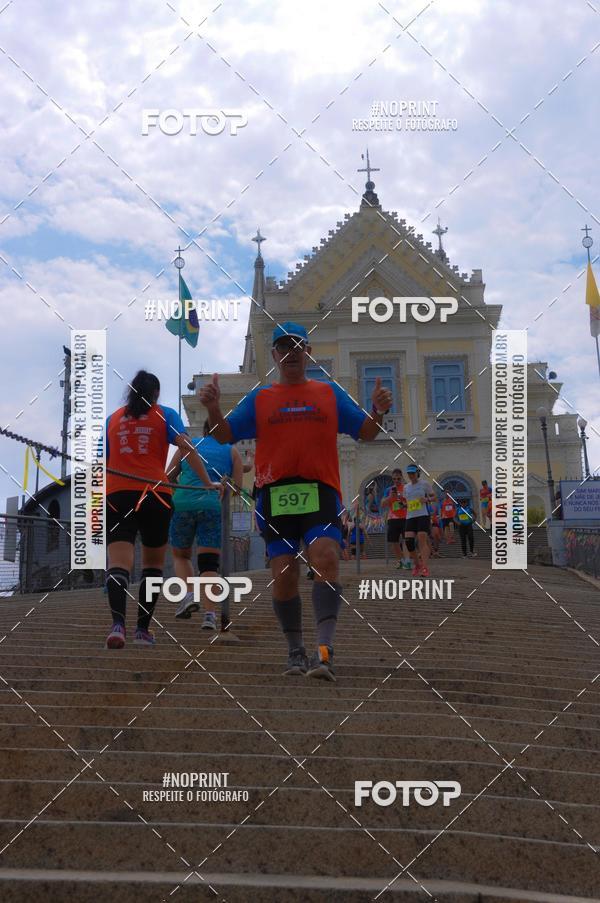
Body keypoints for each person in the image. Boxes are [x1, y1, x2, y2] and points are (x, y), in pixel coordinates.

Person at [198, 320, 392, 681]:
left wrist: (378, 411)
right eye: (283, 347)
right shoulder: (260, 398)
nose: (290, 353)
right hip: (275, 495)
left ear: (308, 352)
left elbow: (366, 432)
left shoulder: (329, 394)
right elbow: (224, 433)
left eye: (297, 346)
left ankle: (324, 653)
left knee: (327, 559)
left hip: (320, 491)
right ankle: (295, 651)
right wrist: (212, 408)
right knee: (283, 575)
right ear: (274, 354)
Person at [104, 371, 221, 649]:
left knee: (119, 564)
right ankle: (142, 631)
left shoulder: (112, 419)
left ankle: (117, 625)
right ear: (155, 393)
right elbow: (187, 448)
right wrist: (207, 483)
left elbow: (107, 459)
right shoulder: (165, 414)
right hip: (154, 495)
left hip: (117, 493)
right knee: (152, 567)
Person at [169, 419, 244, 630]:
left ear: (202, 430)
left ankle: (189, 595)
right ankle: (210, 615)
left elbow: (168, 476)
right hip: (212, 506)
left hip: (182, 503)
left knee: (181, 555)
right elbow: (236, 489)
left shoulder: (189, 444)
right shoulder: (232, 452)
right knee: (209, 564)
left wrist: (179, 492)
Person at [403, 463, 436, 577]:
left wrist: (426, 499)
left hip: (422, 515)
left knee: (422, 540)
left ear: (417, 473)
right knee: (409, 542)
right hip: (410, 516)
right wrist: (403, 504)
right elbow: (406, 501)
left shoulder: (424, 484)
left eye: (413, 473)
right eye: (409, 473)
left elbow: (434, 497)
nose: (411, 475)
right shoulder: (406, 487)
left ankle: (425, 567)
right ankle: (417, 565)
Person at [381, 470, 411, 569]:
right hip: (392, 518)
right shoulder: (388, 489)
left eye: (398, 478)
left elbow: (412, 502)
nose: (396, 481)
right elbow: (382, 504)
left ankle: (407, 561)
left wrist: (404, 499)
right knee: (394, 541)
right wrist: (390, 497)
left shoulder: (407, 488)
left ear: (402, 478)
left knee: (406, 540)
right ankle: (400, 560)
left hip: (406, 517)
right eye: (394, 479)